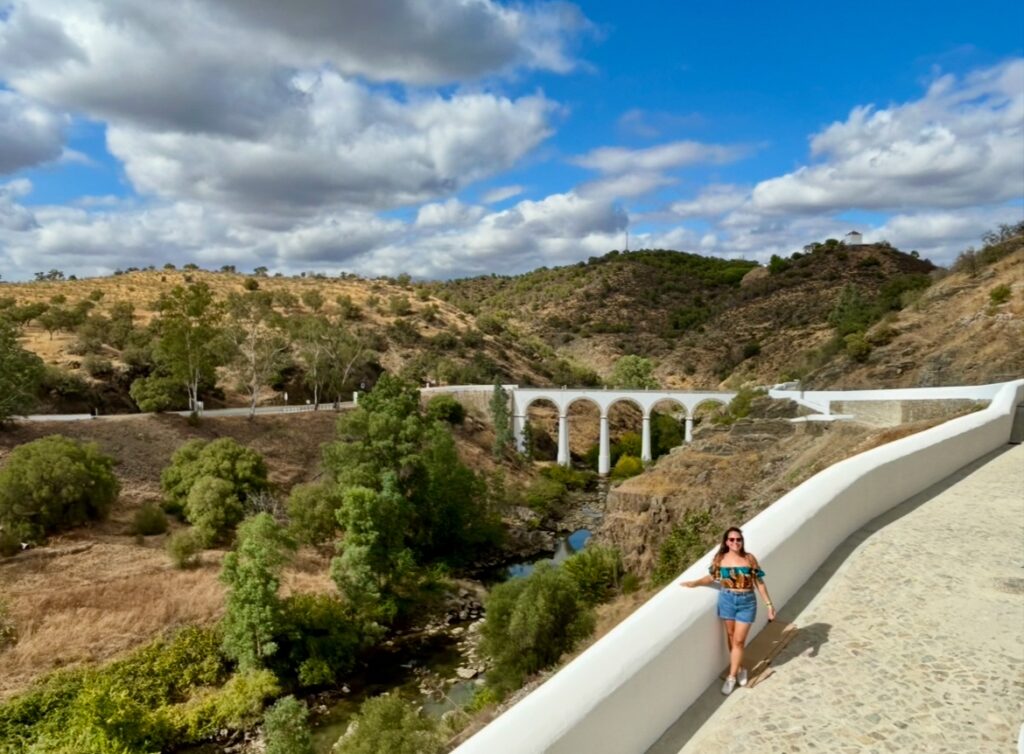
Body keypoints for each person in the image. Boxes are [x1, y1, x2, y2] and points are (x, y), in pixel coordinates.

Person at [681, 526, 775, 695]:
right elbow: (712, 577)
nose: (735, 542)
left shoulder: (749, 558)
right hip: (727, 600)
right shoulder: (720, 558)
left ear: (742, 541)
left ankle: (731, 677)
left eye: (738, 539)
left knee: (739, 641)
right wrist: (695, 583)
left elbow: (759, 582)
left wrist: (769, 604)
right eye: (732, 539)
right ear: (726, 542)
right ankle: (740, 670)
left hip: (747, 602)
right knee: (731, 637)